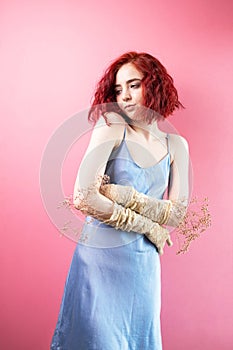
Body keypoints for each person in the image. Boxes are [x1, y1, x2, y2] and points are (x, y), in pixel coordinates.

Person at [51, 51, 189, 349]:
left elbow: (176, 215)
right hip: (99, 259)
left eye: (134, 85)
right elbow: (83, 197)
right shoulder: (111, 126)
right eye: (117, 89)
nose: (124, 96)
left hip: (142, 265)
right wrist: (149, 225)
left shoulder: (176, 145)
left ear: (155, 86)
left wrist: (117, 193)